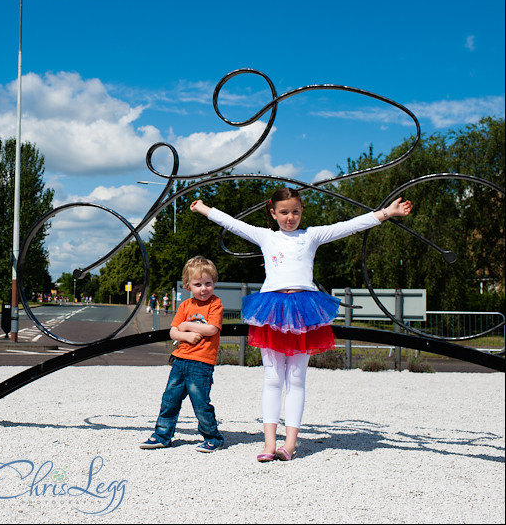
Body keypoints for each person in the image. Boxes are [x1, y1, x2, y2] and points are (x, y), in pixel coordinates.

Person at [190, 187, 412, 462]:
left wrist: (387, 213)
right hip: (271, 310)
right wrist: (203, 209)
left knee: (296, 380)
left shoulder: (311, 236)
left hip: (303, 312)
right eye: (284, 212)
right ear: (273, 213)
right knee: (272, 379)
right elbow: (233, 224)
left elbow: (349, 226)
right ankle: (269, 443)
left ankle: (290, 444)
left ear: (301, 211)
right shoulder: (266, 236)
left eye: (295, 211)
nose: (290, 217)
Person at [140, 256, 225, 453]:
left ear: (214, 283)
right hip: (181, 360)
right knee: (170, 399)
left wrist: (186, 326)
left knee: (200, 402)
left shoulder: (215, 303)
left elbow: (212, 329)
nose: (204, 288)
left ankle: (213, 437)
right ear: (188, 286)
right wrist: (185, 333)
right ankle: (162, 435)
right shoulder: (185, 306)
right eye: (198, 284)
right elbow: (173, 332)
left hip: (202, 362)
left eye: (208, 283)